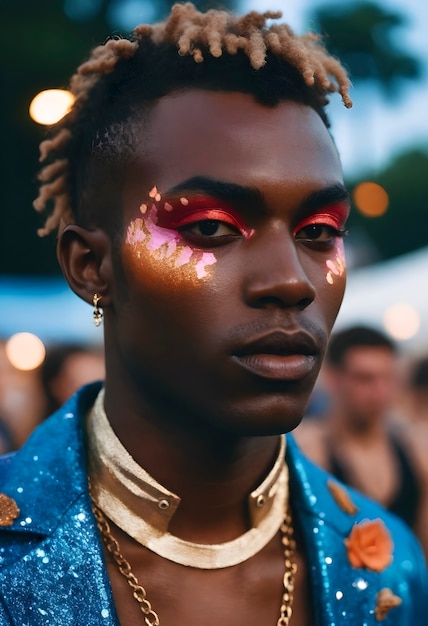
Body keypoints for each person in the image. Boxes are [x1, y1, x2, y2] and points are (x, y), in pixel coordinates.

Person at [0, 4, 426, 625]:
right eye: (209, 228)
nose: (291, 281)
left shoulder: (389, 570)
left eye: (317, 231)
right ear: (91, 266)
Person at [294, 324, 428, 556]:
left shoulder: (415, 449)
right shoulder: (310, 449)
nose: (379, 391)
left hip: (405, 585)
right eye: (365, 379)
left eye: (387, 378)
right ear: (334, 379)